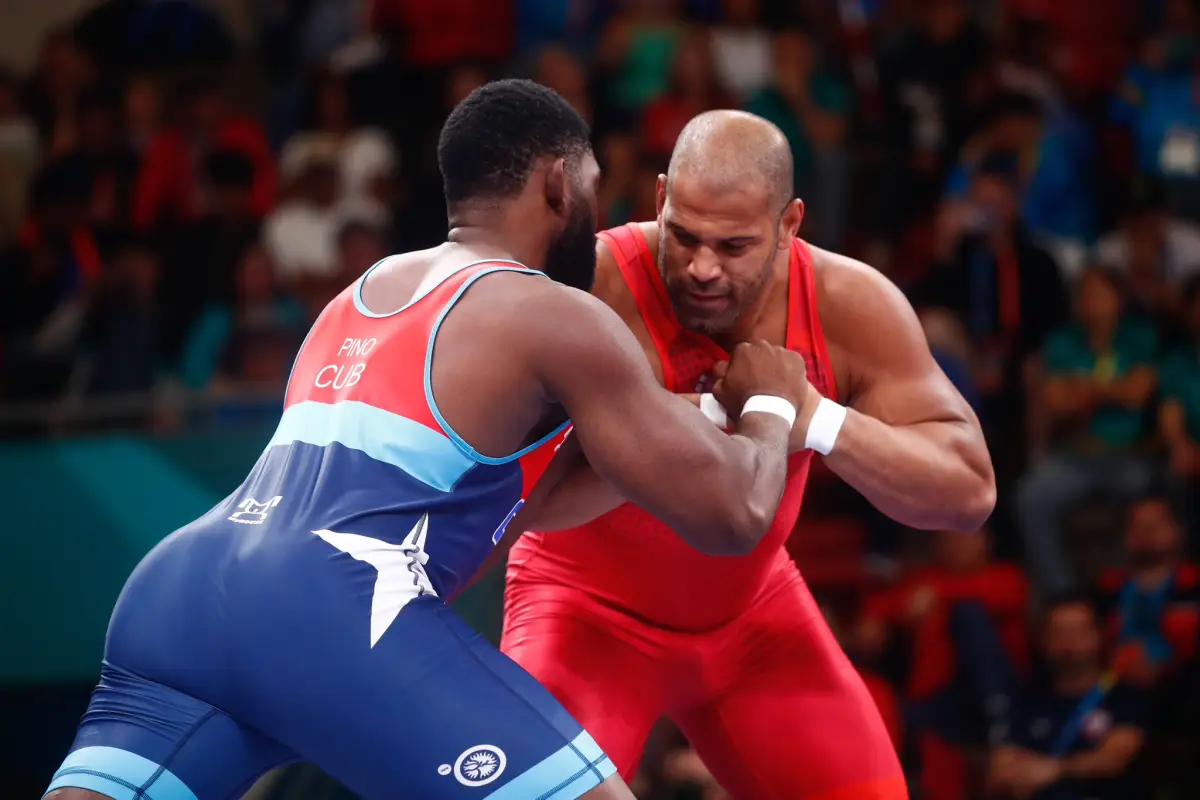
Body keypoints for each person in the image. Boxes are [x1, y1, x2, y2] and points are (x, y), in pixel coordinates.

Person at [43, 81, 814, 800]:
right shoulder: (554, 314)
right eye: (590, 186)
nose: (598, 209)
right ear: (556, 184)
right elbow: (732, 513)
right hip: (334, 608)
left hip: (177, 600)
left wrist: (676, 425)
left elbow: (513, 497)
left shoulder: (363, 291)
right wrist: (774, 408)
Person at [502, 110, 996, 800]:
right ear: (659, 200)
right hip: (583, 612)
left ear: (790, 224)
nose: (703, 267)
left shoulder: (847, 303)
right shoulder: (586, 285)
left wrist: (816, 418)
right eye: (684, 237)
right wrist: (665, 430)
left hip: (754, 619)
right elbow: (511, 503)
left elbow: (968, 492)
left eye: (734, 246)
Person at [986, 596, 1147, 800]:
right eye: (1058, 633)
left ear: (1099, 636)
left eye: (1078, 632)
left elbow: (1113, 759)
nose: (1068, 643)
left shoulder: (1125, 697)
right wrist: (1015, 780)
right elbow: (1000, 769)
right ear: (1042, 639)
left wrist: (1055, 769)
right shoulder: (1024, 699)